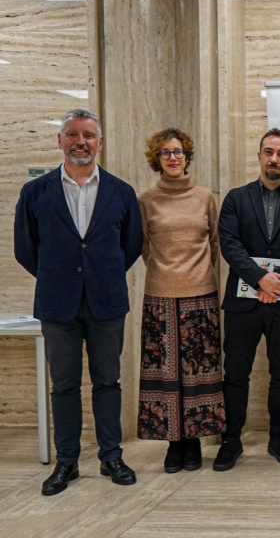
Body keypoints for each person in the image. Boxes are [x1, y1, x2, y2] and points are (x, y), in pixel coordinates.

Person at [14, 108, 143, 495]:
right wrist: (60, 278)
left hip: (107, 303)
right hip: (58, 306)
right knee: (64, 386)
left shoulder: (121, 192)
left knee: (108, 381)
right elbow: (26, 248)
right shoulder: (36, 192)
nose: (80, 142)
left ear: (100, 143)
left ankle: (111, 457)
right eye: (72, 135)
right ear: (60, 141)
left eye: (88, 136)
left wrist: (99, 276)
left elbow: (131, 246)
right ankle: (66, 463)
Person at [214, 128, 280, 471]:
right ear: (259, 156)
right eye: (268, 152)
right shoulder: (235, 198)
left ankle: (278, 438)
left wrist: (277, 282)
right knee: (235, 374)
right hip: (243, 304)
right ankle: (231, 440)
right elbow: (229, 244)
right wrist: (261, 278)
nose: (274, 159)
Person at [136, 128, 224, 473]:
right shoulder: (146, 200)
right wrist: (167, 274)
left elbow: (214, 244)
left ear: (187, 156)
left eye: (178, 152)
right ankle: (175, 444)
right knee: (166, 375)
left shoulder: (204, 197)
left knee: (198, 373)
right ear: (156, 160)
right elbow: (143, 246)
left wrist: (195, 274)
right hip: (160, 296)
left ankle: (196, 443)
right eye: (165, 153)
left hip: (200, 295)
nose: (173, 158)